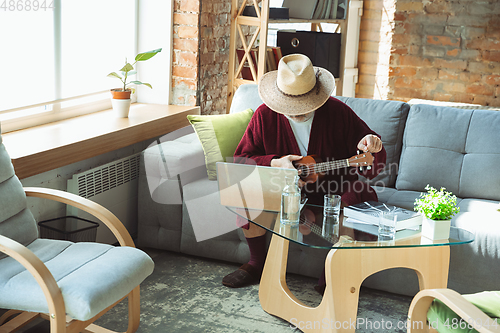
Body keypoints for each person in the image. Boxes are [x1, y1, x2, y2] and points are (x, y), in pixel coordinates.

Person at [222, 54, 386, 290]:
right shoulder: (264, 116)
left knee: (351, 200)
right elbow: (242, 161)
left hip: (333, 187)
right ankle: (257, 263)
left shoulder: (338, 113)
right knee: (249, 192)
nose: (298, 111)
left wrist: (372, 144)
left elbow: (372, 159)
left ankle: (332, 273)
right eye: (291, 104)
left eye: (305, 103)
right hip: (283, 187)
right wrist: (275, 163)